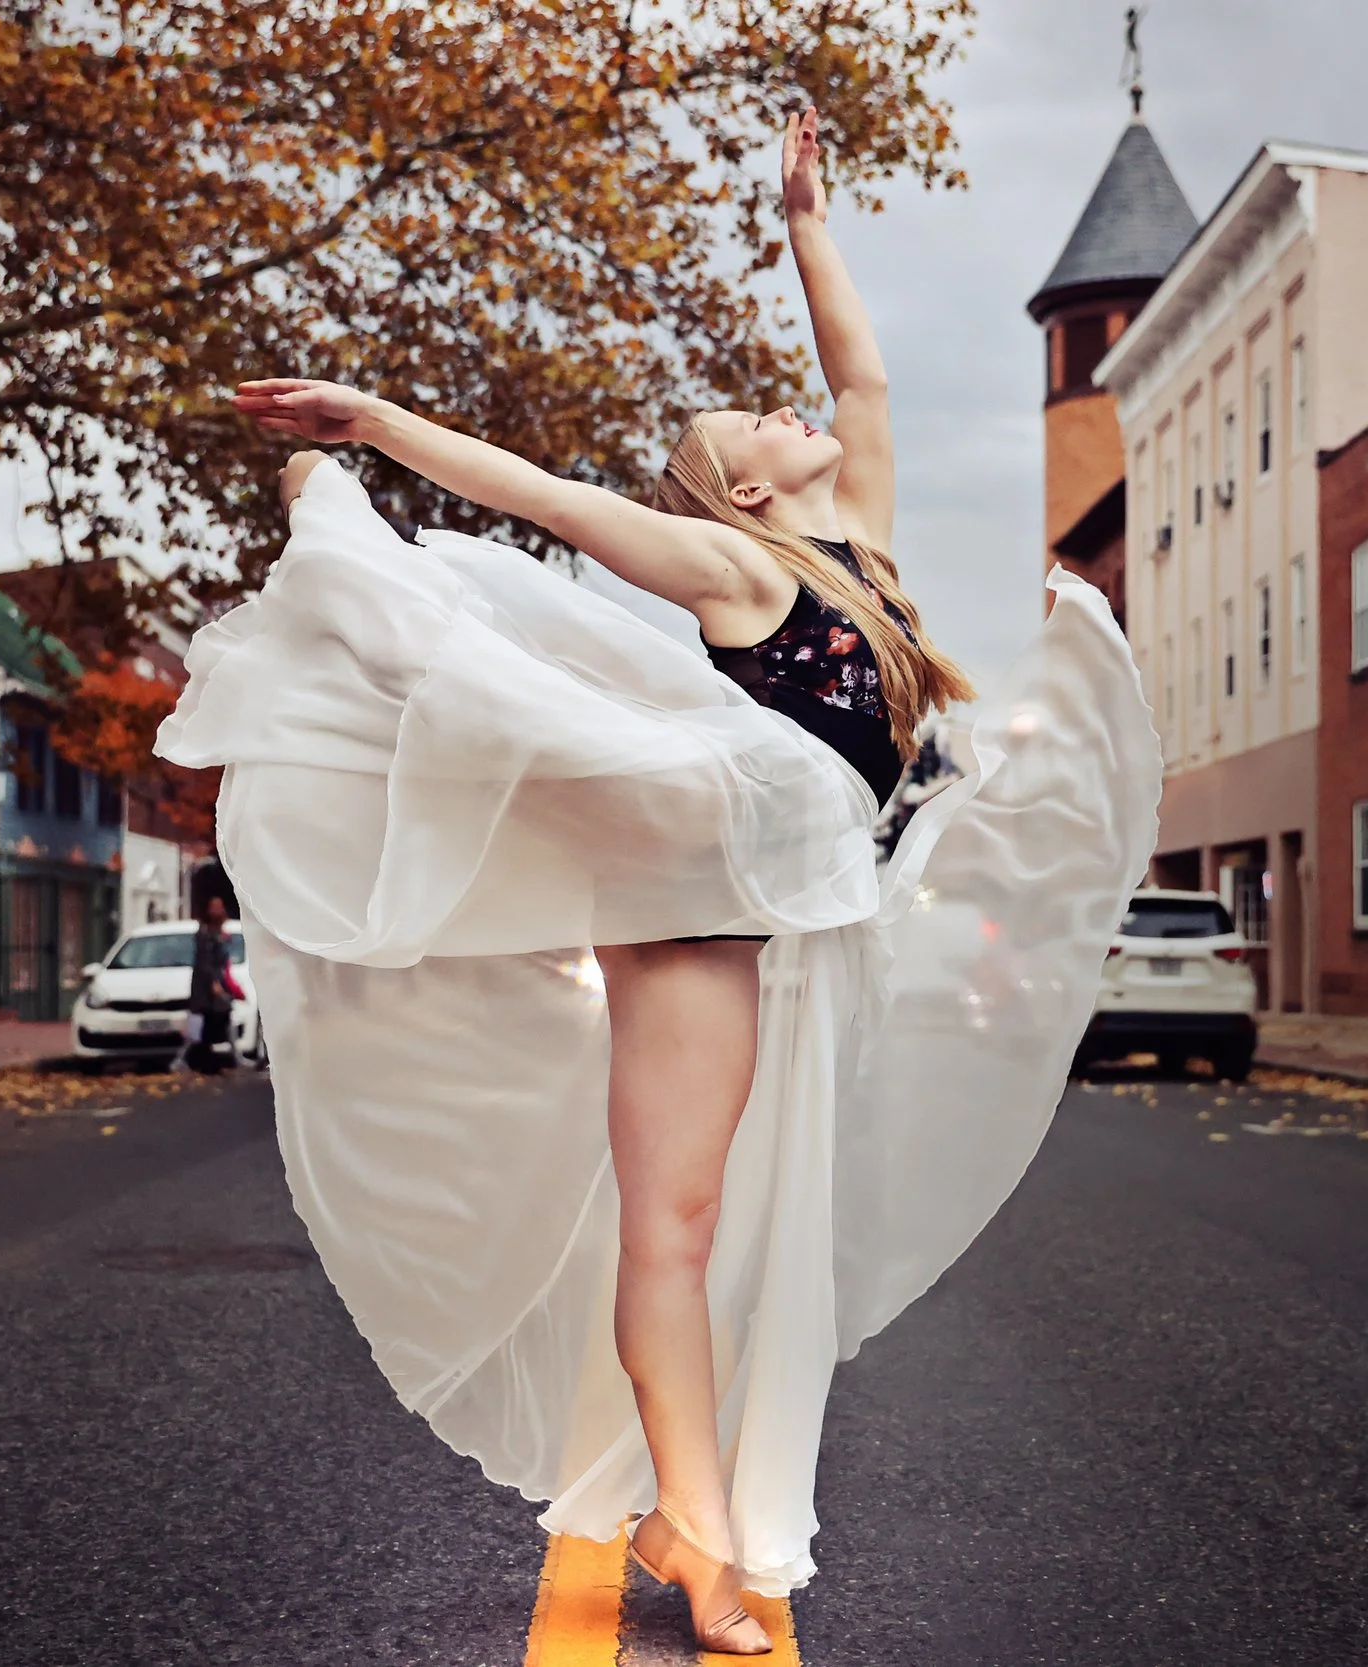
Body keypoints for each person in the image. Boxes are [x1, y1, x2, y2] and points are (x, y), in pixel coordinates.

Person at [159, 106, 1161, 1653]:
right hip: (703, 886)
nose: (777, 413)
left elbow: (866, 381)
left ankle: (686, 1498)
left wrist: (806, 220)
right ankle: (693, 1535)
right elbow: (548, 503)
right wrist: (373, 424)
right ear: (740, 495)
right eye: (744, 429)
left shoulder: (865, 560)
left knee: (765, 1230)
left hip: (807, 903)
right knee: (678, 1229)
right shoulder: (737, 569)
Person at [180, 885, 239, 1074]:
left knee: (218, 1018)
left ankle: (211, 1059)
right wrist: (214, 982)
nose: (217, 910)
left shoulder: (220, 931)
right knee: (209, 1019)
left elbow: (222, 959)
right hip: (206, 986)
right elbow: (206, 960)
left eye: (219, 906)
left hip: (216, 983)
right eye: (214, 906)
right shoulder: (205, 932)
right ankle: (202, 1061)